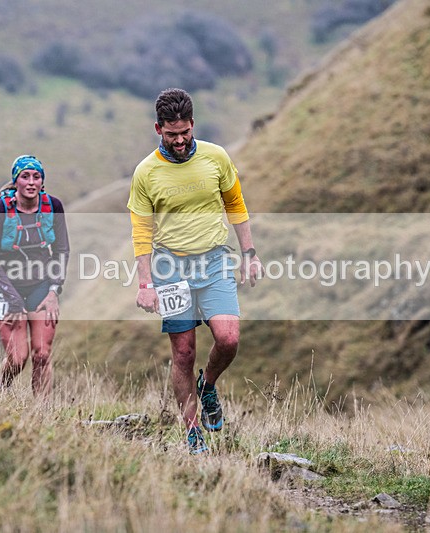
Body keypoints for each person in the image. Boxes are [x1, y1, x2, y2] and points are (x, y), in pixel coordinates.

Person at [127, 88, 263, 454]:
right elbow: (141, 230)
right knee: (183, 353)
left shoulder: (216, 158)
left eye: (185, 132)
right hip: (171, 267)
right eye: (171, 135)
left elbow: (235, 204)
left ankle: (208, 385)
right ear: (159, 129)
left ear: (192, 125)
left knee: (229, 339)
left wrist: (249, 252)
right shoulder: (146, 172)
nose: (180, 140)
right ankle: (192, 433)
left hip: (215, 261)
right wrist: (146, 283)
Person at [0, 154, 69, 398]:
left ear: (42, 181)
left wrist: (54, 291)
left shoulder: (53, 207)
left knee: (42, 354)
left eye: (36, 176)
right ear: (16, 181)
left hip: (42, 287)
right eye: (25, 176)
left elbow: (62, 250)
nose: (31, 182)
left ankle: (40, 414)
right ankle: (0, 388)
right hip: (6, 289)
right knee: (18, 358)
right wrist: (14, 300)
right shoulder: (0, 210)